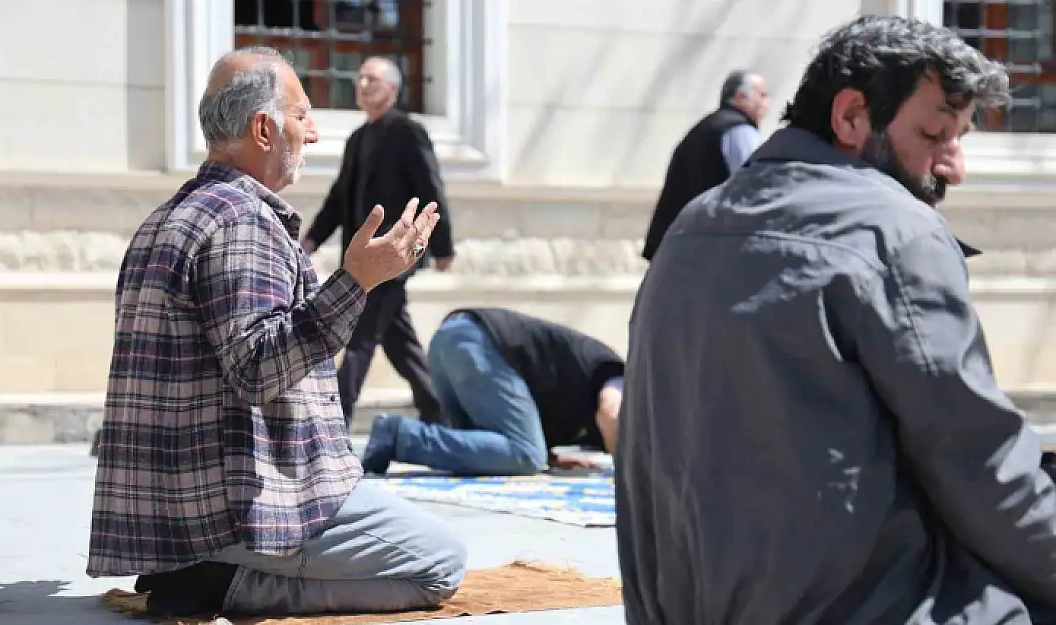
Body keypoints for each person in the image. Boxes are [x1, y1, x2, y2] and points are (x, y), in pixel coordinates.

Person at [616, 15, 1056, 625]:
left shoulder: (693, 223)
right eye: (935, 135)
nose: (953, 168)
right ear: (852, 117)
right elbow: (978, 466)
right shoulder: (894, 228)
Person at [88, 46, 466, 619]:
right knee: (440, 563)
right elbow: (260, 368)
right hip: (238, 512)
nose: (312, 133)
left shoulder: (166, 218)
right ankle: (225, 584)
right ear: (264, 129)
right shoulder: (241, 222)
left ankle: (203, 568)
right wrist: (357, 281)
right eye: (303, 114)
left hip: (174, 516)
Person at [300, 56, 455, 428]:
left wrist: (443, 246)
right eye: (360, 78)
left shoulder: (407, 131)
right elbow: (340, 198)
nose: (363, 84)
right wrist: (311, 239)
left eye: (372, 79)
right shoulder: (357, 138)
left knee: (359, 337)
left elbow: (431, 188)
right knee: (401, 344)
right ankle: (441, 415)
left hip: (393, 255)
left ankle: (333, 424)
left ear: (392, 88)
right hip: (363, 259)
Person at [360, 308, 624, 476]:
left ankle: (398, 438)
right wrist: (627, 474)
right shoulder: (622, 377)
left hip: (452, 341)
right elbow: (611, 413)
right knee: (526, 456)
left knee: (476, 453)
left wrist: (549, 453)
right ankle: (399, 436)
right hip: (479, 345)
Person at [640, 69, 769, 261]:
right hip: (705, 246)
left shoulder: (706, 127)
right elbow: (756, 187)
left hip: (678, 243)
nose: (767, 105)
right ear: (741, 96)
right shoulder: (739, 131)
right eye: (762, 95)